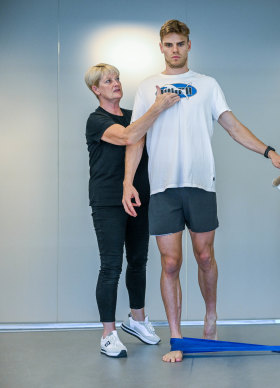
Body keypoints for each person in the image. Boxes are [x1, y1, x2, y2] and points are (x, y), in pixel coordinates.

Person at [122, 20, 280, 363]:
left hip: (201, 184)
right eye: (169, 44)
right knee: (170, 263)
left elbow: (232, 125)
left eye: (180, 44)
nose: (174, 50)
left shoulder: (207, 85)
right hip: (163, 188)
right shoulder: (147, 88)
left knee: (204, 257)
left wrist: (269, 151)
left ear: (189, 46)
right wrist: (128, 181)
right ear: (161, 48)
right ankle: (177, 338)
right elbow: (135, 136)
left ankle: (210, 316)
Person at [84, 63, 179, 358]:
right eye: (108, 81)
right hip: (109, 200)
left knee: (139, 261)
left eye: (117, 78)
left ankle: (137, 320)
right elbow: (129, 136)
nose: (116, 83)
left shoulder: (132, 115)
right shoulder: (96, 120)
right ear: (96, 89)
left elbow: (152, 137)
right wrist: (157, 107)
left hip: (140, 198)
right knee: (111, 266)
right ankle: (108, 334)